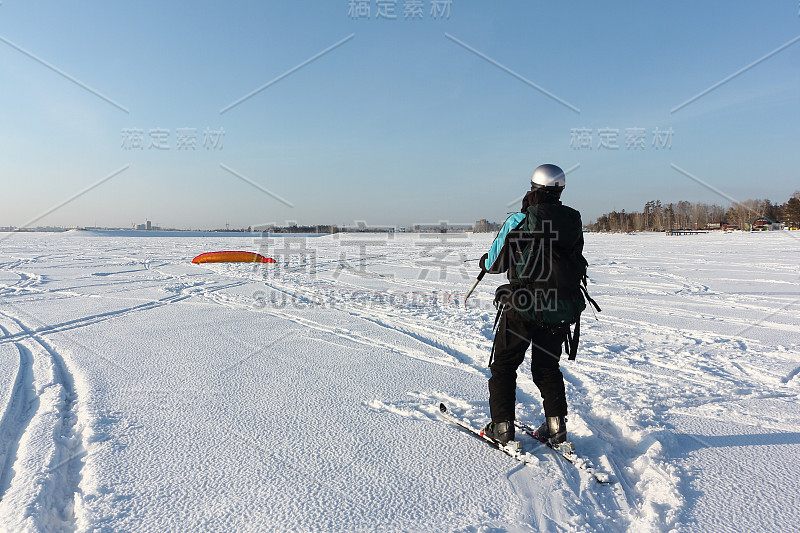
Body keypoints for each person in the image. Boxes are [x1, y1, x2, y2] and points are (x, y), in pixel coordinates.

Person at [477, 164, 591, 448]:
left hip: (523, 307)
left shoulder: (519, 219)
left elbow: (493, 263)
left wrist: (483, 262)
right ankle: (556, 428)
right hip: (561, 308)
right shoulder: (573, 221)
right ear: (560, 190)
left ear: (532, 188)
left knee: (503, 366)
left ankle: (501, 428)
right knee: (547, 368)